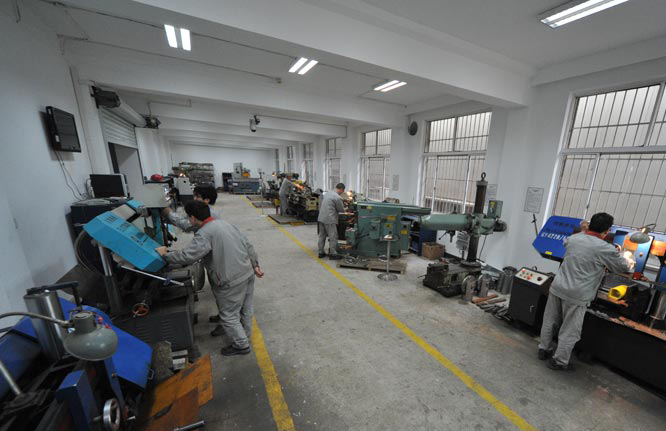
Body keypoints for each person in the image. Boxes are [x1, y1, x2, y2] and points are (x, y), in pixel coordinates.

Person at [156, 201, 264, 356]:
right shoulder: (226, 224)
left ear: (193, 218)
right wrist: (255, 265)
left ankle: (241, 345)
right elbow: (248, 245)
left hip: (229, 279)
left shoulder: (205, 233)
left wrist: (166, 255)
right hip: (247, 273)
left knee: (229, 315)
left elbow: (188, 255)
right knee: (246, 309)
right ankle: (244, 336)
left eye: (188, 217)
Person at [538, 212, 634, 371]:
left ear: (590, 225)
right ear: (607, 230)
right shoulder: (605, 248)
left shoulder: (573, 239)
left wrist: (583, 230)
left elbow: (567, 242)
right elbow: (623, 267)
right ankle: (559, 361)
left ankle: (544, 349)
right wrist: (628, 258)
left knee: (550, 321)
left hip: (558, 287)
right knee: (570, 330)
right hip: (578, 294)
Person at [317, 182, 345, 260]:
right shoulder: (337, 197)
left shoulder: (328, 193)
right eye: (342, 191)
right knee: (333, 237)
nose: (342, 193)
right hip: (330, 219)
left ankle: (321, 252)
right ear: (341, 189)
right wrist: (345, 208)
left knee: (322, 236)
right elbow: (341, 209)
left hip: (321, 217)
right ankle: (333, 254)